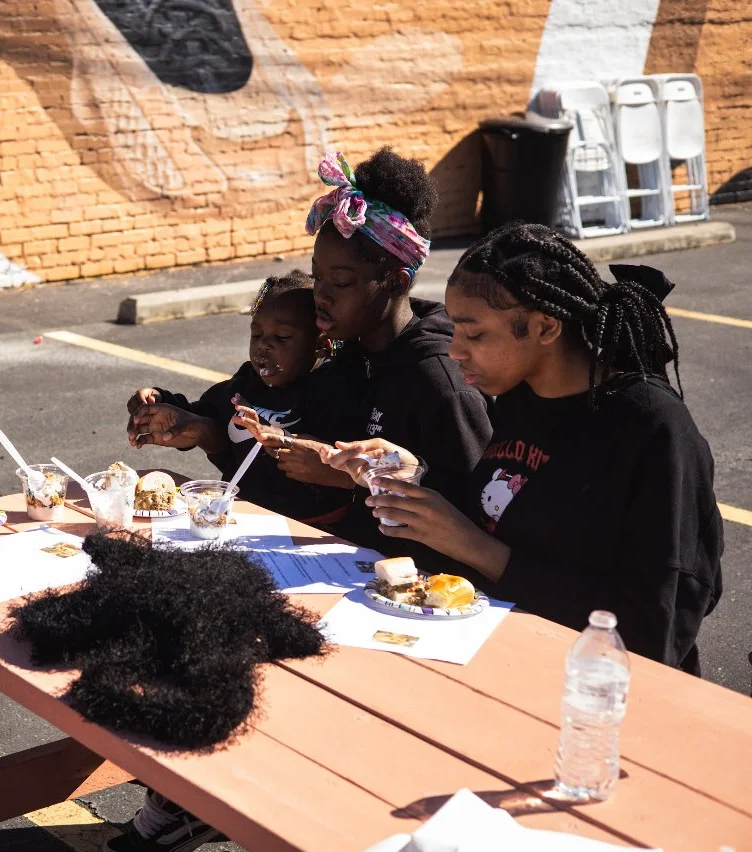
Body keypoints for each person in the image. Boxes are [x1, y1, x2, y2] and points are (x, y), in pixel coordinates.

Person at [329, 222, 723, 673]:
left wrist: (476, 549)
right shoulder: (522, 394)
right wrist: (415, 476)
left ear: (545, 327)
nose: (455, 350)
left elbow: (653, 627)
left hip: (590, 693)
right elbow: (508, 508)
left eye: (474, 334)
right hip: (493, 656)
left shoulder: (652, 430)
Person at [240, 148, 492, 563]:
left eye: (340, 283)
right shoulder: (346, 349)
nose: (319, 296)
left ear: (394, 282)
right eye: (317, 276)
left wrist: (350, 481)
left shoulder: (440, 381)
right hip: (343, 556)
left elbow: (478, 505)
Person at [125, 270, 358, 525]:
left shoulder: (335, 391)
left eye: (282, 337)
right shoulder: (244, 386)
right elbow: (204, 416)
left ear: (321, 345)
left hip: (316, 530)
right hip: (245, 517)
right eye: (257, 334)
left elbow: (352, 466)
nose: (263, 345)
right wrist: (164, 405)